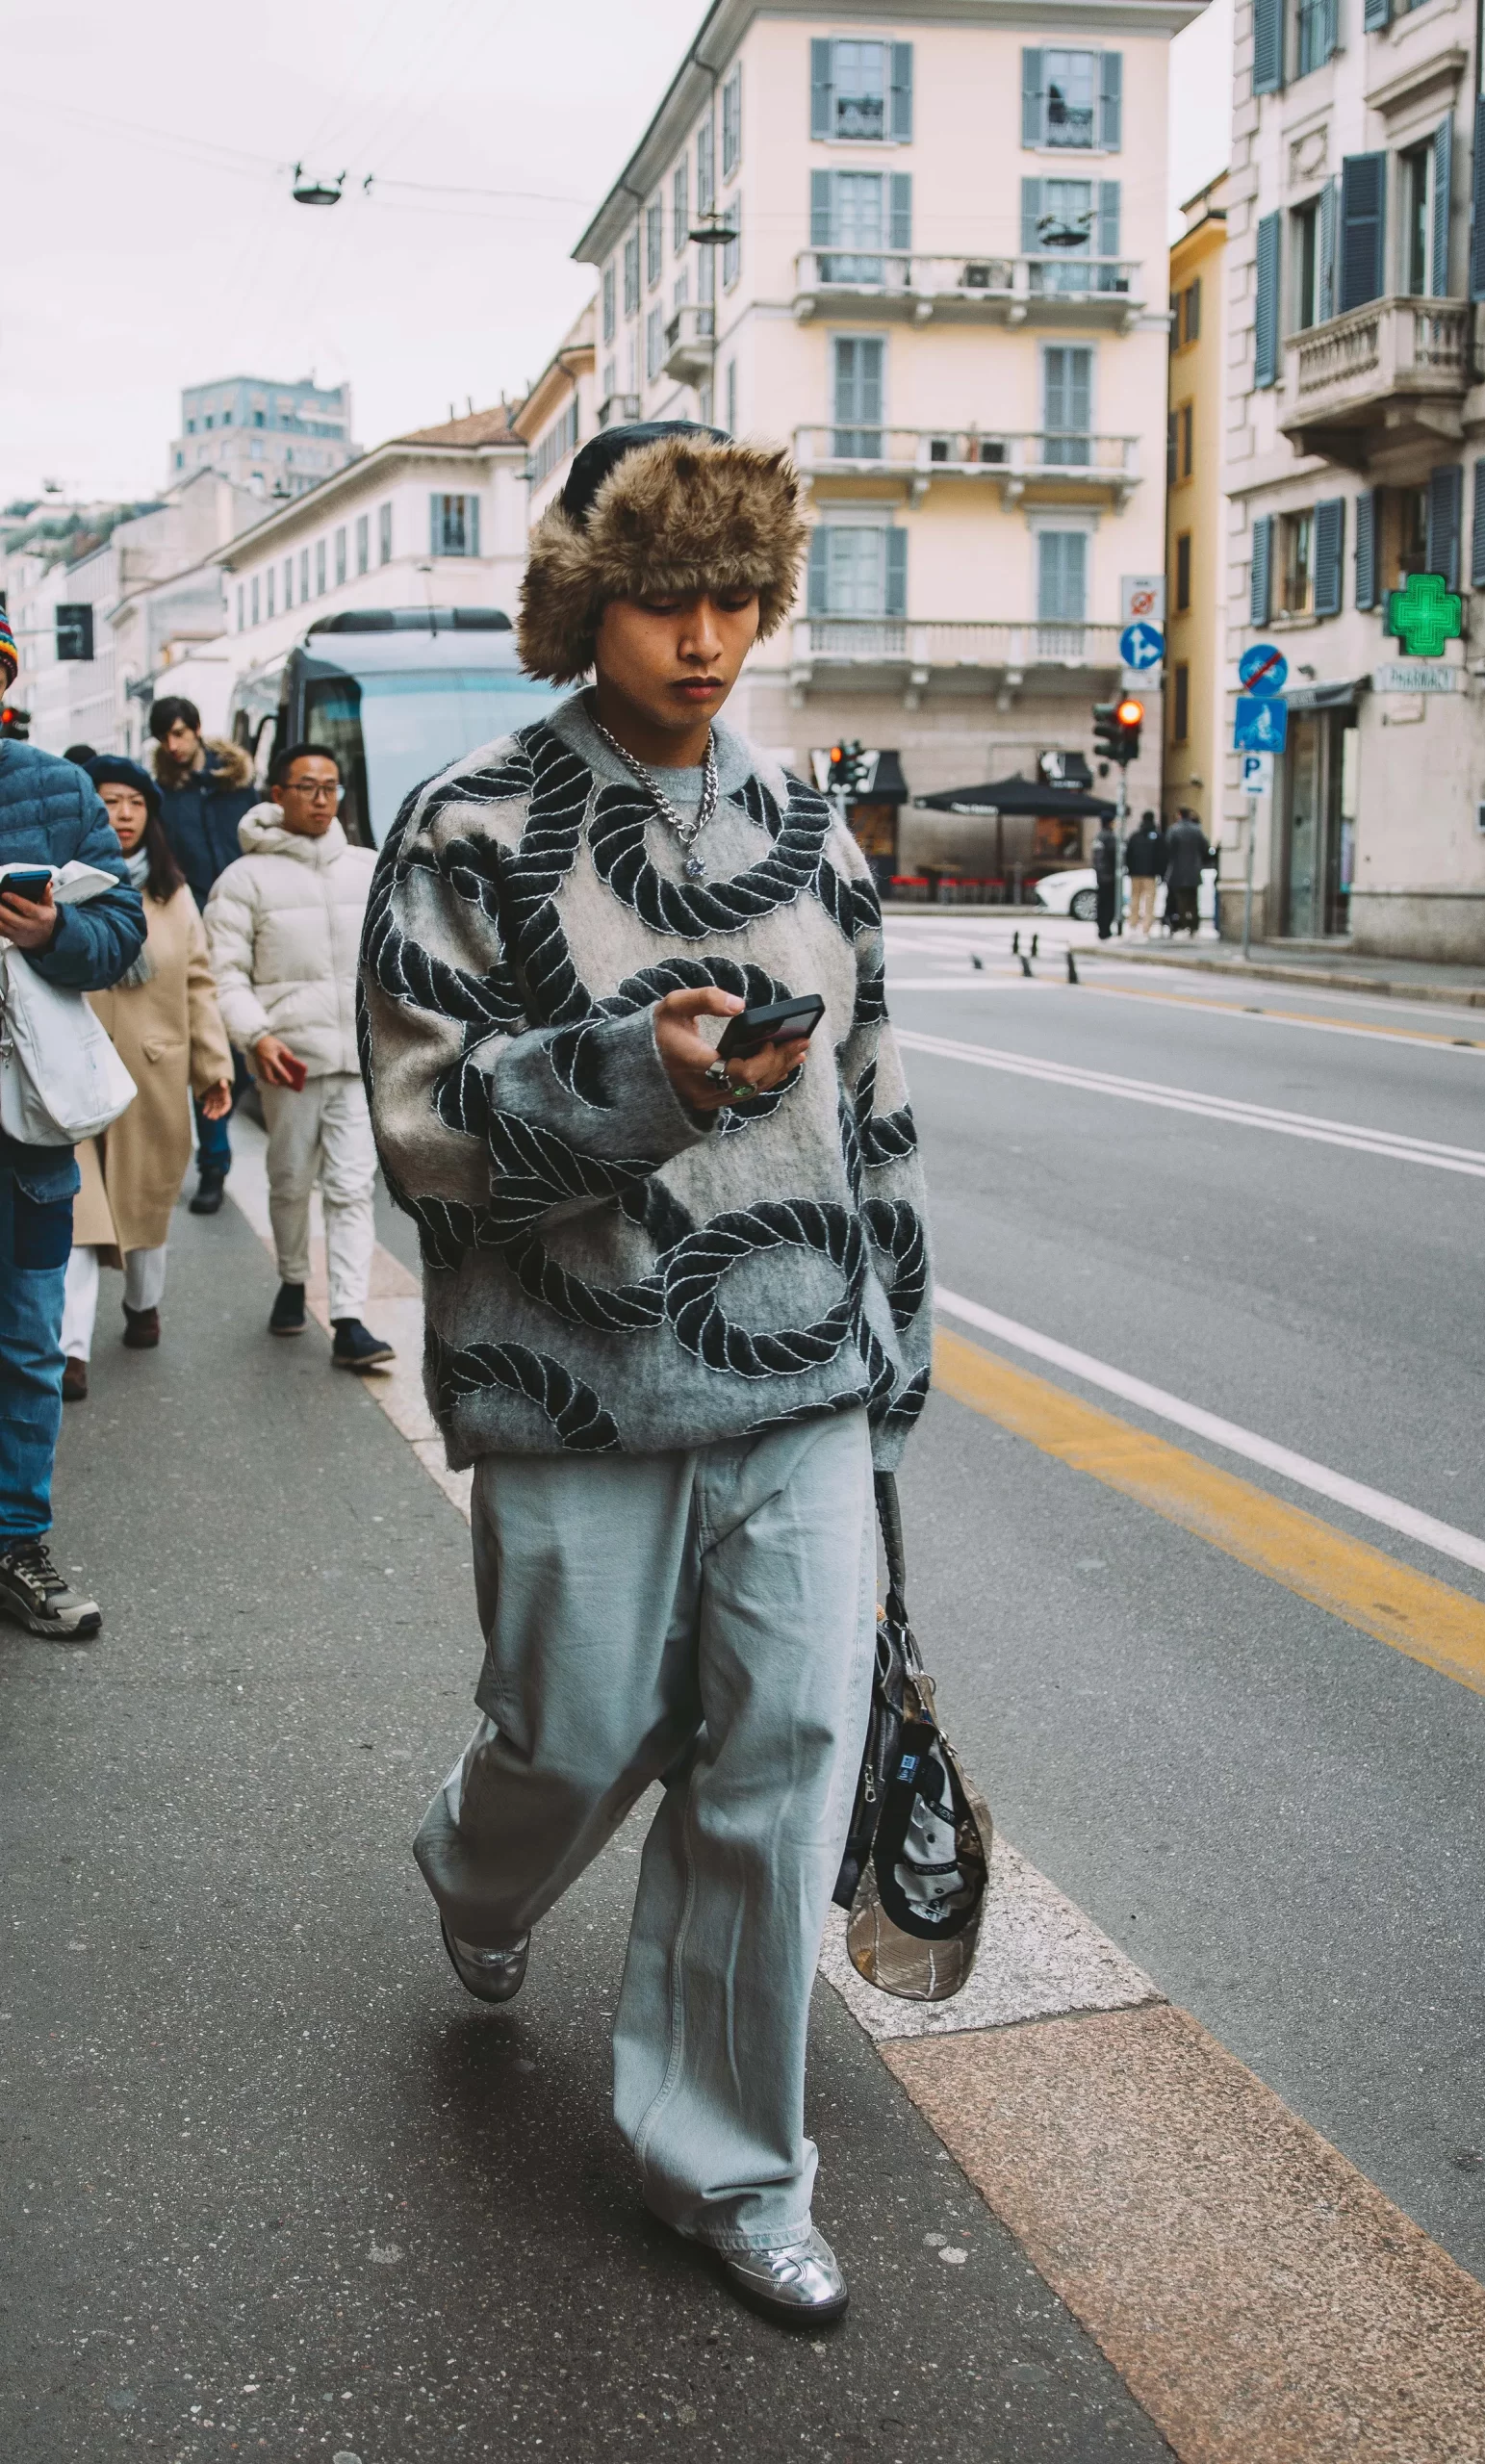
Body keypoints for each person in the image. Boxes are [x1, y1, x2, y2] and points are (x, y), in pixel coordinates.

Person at [360, 423, 932, 2329]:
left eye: (735, 595)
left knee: (775, 1760)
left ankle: (728, 2165)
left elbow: (873, 1106)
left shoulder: (807, 827)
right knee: (574, 1730)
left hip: (797, 1391)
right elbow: (424, 1127)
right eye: (664, 594)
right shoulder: (471, 824)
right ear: (585, 599)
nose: (704, 636)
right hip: (575, 1381)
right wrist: (642, 1075)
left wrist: (889, 1348)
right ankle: (479, 1856)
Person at [0, 612, 146, 1637]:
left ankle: (17, 1540)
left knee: (27, 1343)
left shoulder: (54, 788)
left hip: (25, 1123)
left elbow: (121, 931)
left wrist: (56, 930)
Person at [205, 745, 394, 1370]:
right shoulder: (243, 880)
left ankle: (348, 1319)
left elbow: (395, 964)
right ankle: (291, 1280)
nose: (321, 798)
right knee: (289, 1183)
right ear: (276, 793)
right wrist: (255, 1036)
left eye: (331, 787)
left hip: (357, 1063)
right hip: (289, 1061)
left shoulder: (368, 868)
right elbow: (222, 974)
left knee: (349, 1188)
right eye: (307, 786)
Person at [59, 759, 233, 1400]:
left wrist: (212, 1068)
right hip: (72, 1074)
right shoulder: (62, 887)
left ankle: (142, 1304)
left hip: (150, 1073)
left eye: (135, 802)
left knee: (143, 1205)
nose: (124, 813)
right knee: (78, 1213)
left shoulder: (172, 893)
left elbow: (198, 984)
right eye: (110, 800)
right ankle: (69, 1348)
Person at [148, 695, 259, 1216]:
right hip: (193, 931)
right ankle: (214, 1165)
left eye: (179, 733)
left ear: (196, 730)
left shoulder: (237, 786)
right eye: (164, 737)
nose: (173, 745)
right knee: (207, 1043)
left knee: (242, 1046)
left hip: (251, 926)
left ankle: (228, 1121)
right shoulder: (161, 797)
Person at [1164, 806, 1212, 935]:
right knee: (1193, 900)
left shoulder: (1173, 830)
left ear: (1179, 815)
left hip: (1178, 871)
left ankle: (1184, 924)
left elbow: (1167, 849)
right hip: (1194, 871)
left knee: (1181, 900)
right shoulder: (1197, 830)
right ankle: (1194, 925)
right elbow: (1205, 848)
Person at [1124, 808, 1164, 937]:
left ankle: (1133, 922)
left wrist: (1129, 869)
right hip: (1150, 874)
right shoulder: (1157, 836)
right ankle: (1146, 926)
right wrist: (1160, 872)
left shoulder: (1135, 836)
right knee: (1149, 900)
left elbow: (1128, 854)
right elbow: (1161, 856)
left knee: (1134, 898)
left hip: (1135, 873)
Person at [1091, 812, 1119, 939]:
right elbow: (1115, 856)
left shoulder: (1098, 837)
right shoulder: (1110, 837)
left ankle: (1102, 928)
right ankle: (1105, 929)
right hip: (1109, 876)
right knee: (1108, 904)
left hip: (1100, 875)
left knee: (1101, 903)